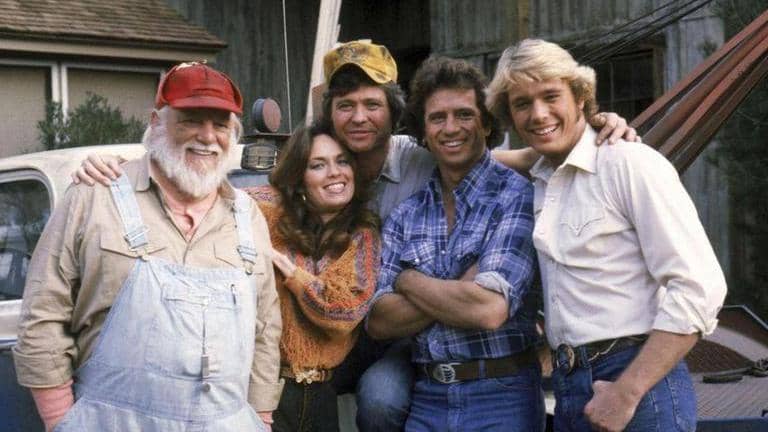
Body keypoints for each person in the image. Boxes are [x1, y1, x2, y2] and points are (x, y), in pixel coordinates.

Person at [72, 40, 637, 431]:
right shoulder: (309, 170)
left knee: (381, 396)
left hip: (403, 339)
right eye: (346, 107)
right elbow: (209, 181)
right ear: (328, 119)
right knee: (359, 393)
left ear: (394, 114)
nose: (359, 118)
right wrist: (127, 167)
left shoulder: (419, 160)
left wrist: (594, 127)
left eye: (372, 105)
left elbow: (499, 160)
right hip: (353, 330)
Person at [13, 62, 283, 431]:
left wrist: (260, 418)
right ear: (156, 123)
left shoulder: (247, 215)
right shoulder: (94, 196)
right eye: (191, 120)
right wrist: (62, 420)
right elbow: (43, 314)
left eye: (221, 125)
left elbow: (265, 328)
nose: (207, 136)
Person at [486, 38, 727, 432]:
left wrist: (627, 392)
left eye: (551, 96)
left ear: (580, 97)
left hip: (637, 382)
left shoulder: (628, 163)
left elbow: (700, 288)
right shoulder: (539, 179)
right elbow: (460, 159)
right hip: (568, 385)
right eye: (522, 103)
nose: (539, 113)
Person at [367, 56, 543, 431]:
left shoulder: (515, 196)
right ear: (423, 131)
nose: (450, 128)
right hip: (428, 397)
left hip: (502, 393)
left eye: (464, 115)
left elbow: (489, 310)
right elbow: (380, 321)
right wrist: (462, 286)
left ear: (486, 122)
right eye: (437, 118)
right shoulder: (407, 213)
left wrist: (407, 281)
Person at [244, 123, 380, 432]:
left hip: (322, 393)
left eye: (342, 161)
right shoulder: (261, 211)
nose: (334, 172)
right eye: (318, 165)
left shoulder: (362, 233)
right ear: (298, 177)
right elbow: (209, 197)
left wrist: (291, 272)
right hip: (262, 387)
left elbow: (344, 310)